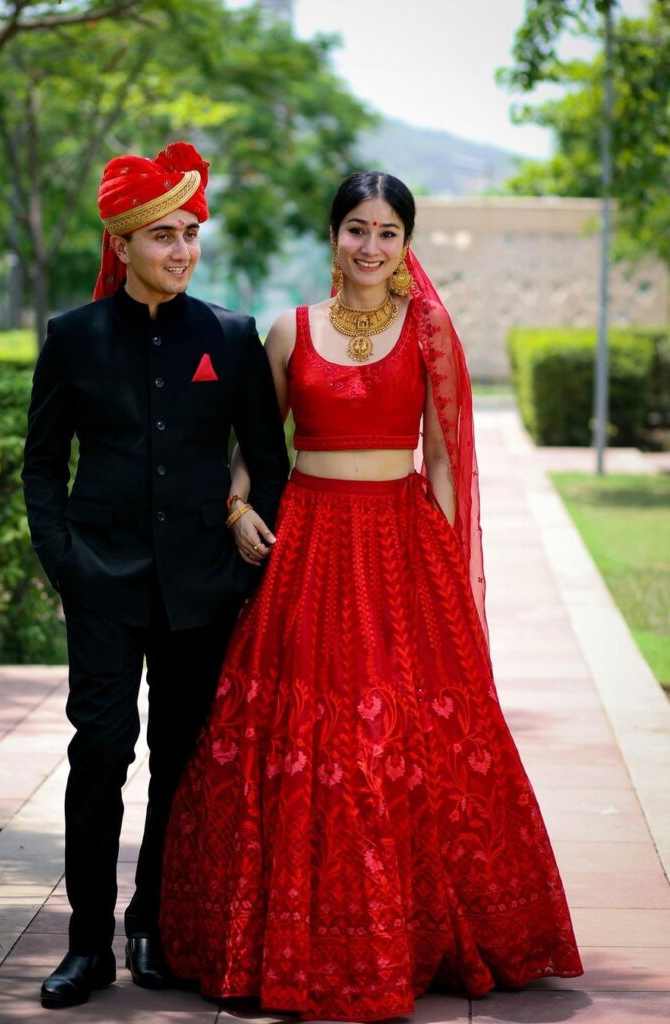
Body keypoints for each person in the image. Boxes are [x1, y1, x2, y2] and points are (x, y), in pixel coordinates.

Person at [160, 171, 583, 1021]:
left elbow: (442, 456)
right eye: (357, 228)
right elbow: (260, 449)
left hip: (400, 540)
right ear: (333, 235)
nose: (370, 246)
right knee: (301, 733)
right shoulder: (290, 331)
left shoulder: (429, 329)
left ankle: (415, 932)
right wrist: (238, 505)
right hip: (310, 542)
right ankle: (293, 935)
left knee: (404, 731)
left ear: (405, 242)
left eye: (388, 232)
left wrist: (447, 559)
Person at [22, 142, 290, 1010]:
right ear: (125, 242)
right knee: (100, 752)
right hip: (101, 581)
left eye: (190, 235)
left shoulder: (230, 336)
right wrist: (63, 561)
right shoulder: (72, 338)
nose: (182, 250)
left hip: (202, 590)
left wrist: (240, 529)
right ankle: (86, 944)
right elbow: (40, 464)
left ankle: (154, 925)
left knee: (180, 759)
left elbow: (267, 457)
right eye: (164, 236)